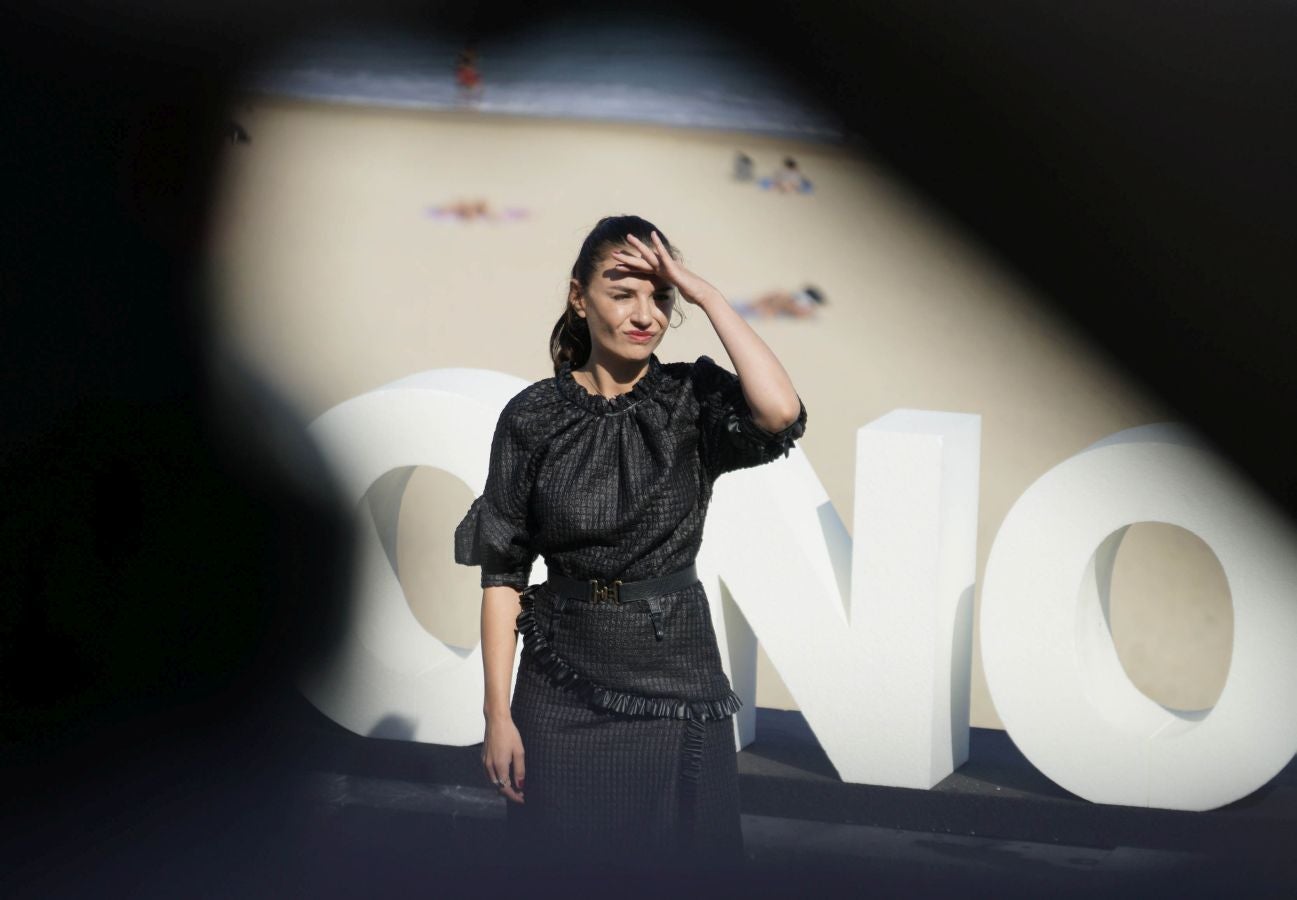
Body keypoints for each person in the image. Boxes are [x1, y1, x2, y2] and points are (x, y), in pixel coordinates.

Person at [454, 215, 807, 874]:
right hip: (560, 686)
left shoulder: (692, 398)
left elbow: (779, 413)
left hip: (678, 681)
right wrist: (495, 715)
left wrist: (705, 295)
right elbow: (502, 571)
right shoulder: (531, 416)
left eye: (660, 296)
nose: (644, 314)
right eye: (622, 292)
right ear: (579, 297)